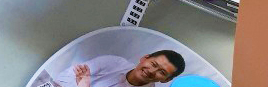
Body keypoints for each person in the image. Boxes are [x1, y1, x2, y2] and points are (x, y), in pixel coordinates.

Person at [54, 51, 185, 87]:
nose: (151, 71)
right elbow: (62, 79)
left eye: (161, 72)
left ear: (166, 80)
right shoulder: (112, 62)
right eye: (153, 64)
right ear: (144, 58)